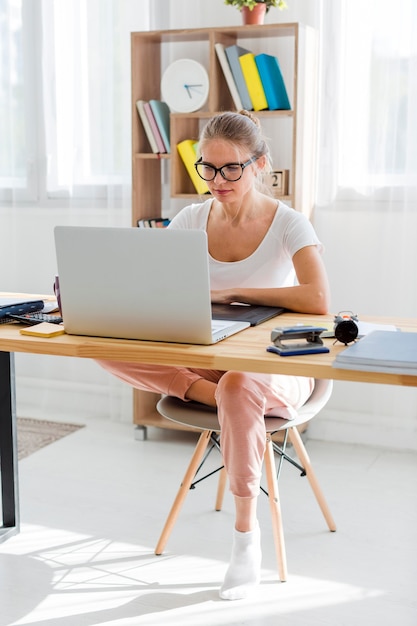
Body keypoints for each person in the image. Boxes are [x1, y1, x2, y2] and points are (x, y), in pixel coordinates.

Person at [97, 110, 330, 600]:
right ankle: (211, 393)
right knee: (99, 344)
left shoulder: (289, 223)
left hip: (274, 367)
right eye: (207, 168)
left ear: (259, 164)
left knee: (241, 384)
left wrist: (236, 294)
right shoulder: (189, 218)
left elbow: (318, 299)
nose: (217, 180)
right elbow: (158, 282)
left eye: (231, 169)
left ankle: (246, 539)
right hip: (208, 358)